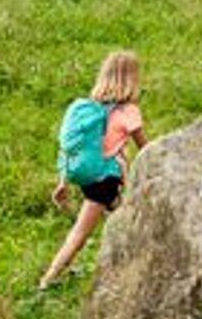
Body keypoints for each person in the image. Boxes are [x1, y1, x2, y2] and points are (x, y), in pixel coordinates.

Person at [38, 50, 148, 290]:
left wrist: (63, 180)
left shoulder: (90, 109)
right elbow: (146, 150)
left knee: (123, 222)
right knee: (81, 232)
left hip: (88, 177)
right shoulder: (128, 111)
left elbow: (73, 146)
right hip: (106, 180)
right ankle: (49, 278)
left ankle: (123, 270)